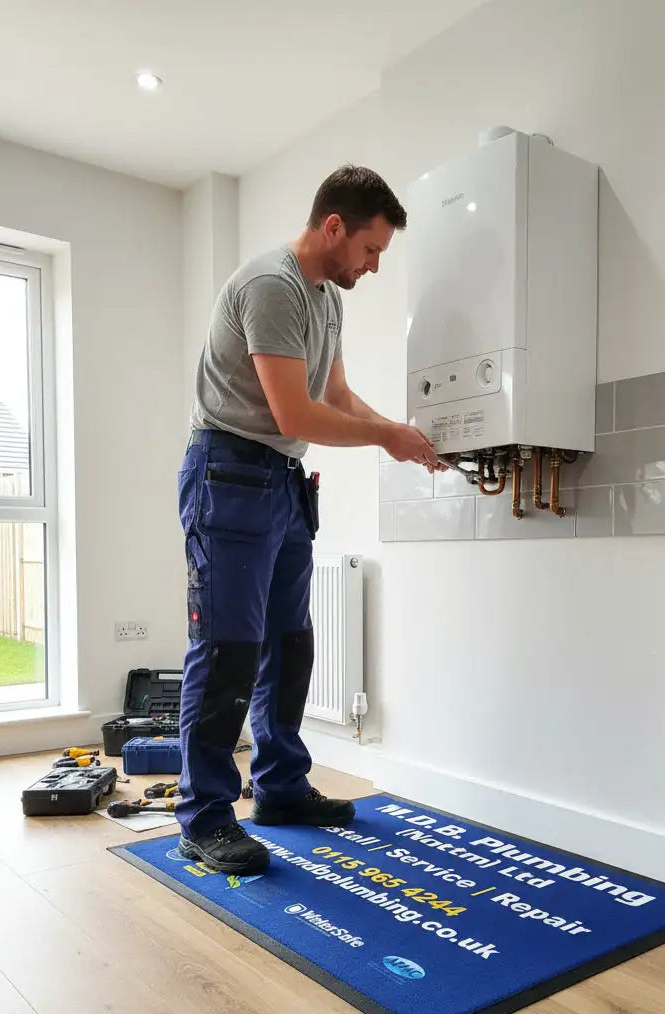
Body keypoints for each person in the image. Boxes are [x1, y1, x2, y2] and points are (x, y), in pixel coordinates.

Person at [175, 165, 441, 876]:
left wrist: (398, 432)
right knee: (228, 650)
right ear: (333, 228)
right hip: (229, 474)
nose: (374, 265)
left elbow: (336, 393)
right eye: (371, 249)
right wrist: (386, 439)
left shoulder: (326, 299)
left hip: (282, 484)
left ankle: (281, 789)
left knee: (289, 646)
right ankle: (202, 819)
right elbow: (294, 413)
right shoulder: (271, 287)